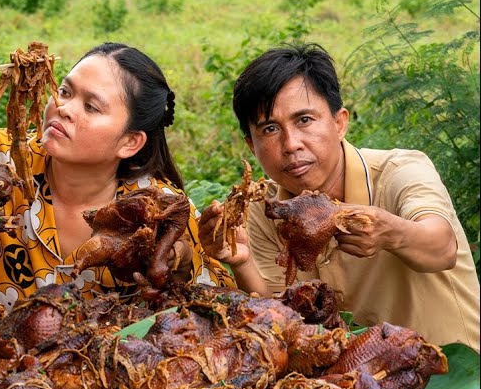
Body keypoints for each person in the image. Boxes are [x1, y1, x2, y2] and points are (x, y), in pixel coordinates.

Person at [0, 42, 233, 310]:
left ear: (129, 142)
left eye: (91, 106)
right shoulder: (2, 161)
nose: (62, 108)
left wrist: (181, 263)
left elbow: (217, 300)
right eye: (64, 91)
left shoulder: (158, 210)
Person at [196, 44, 479, 352]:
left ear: (340, 122)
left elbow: (441, 247)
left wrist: (388, 232)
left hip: (457, 384)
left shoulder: (401, 172)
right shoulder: (266, 210)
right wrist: (243, 262)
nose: (291, 144)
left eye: (304, 120)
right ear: (252, 145)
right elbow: (277, 319)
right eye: (270, 129)